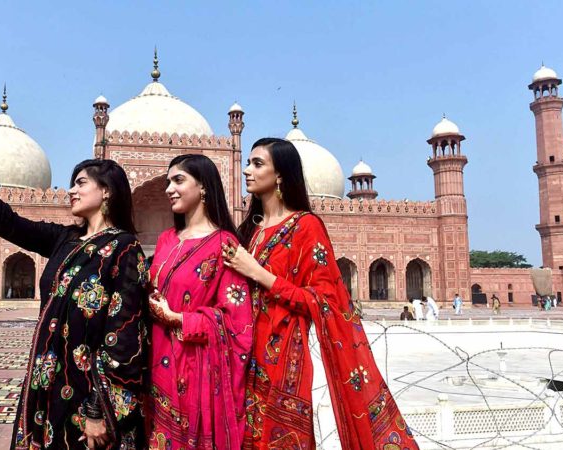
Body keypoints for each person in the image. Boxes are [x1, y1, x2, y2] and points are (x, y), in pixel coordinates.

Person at [0, 120, 148, 450]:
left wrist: (97, 409)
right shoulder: (65, 239)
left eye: (80, 183)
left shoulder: (124, 248)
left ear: (106, 191)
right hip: (46, 384)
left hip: (90, 394)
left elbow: (126, 334)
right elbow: (6, 220)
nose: (71, 190)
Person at [222, 138, 416, 449]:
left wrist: (259, 273)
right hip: (244, 357)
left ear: (281, 175)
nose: (247, 170)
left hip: (284, 360)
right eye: (247, 162)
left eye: (257, 164)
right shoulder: (251, 230)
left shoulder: (306, 226)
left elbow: (324, 301)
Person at [147, 154, 253, 450]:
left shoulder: (225, 245)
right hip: (155, 365)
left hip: (194, 374)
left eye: (178, 180)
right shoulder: (167, 238)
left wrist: (180, 318)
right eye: (168, 181)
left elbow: (238, 323)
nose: (169, 188)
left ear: (204, 187)